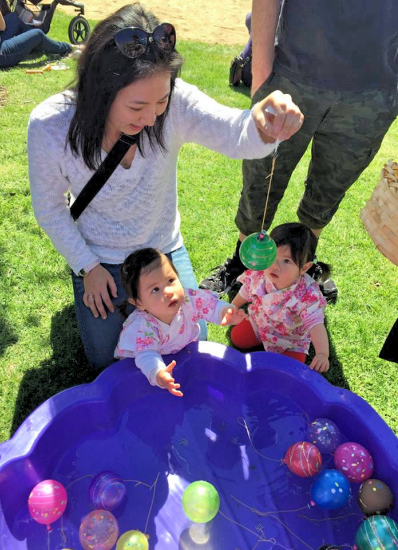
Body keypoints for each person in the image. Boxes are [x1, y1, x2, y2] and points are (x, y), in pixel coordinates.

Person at [27, 3, 304, 371]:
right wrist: (86, 266)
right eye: (137, 106)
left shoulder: (174, 103)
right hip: (100, 254)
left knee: (191, 344)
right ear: (100, 89)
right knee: (112, 363)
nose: (152, 117)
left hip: (162, 251)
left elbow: (236, 133)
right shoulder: (50, 125)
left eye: (161, 101)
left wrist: (265, 123)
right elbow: (49, 209)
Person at [200, 0, 398, 296]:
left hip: (374, 92)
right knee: (262, 174)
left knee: (330, 188)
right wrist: (262, 76)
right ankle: (244, 260)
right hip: (292, 76)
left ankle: (304, 261)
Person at [114, 248, 247, 396]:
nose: (168, 291)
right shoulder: (143, 328)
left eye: (170, 280)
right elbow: (146, 355)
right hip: (143, 365)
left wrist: (225, 312)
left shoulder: (188, 299)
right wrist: (158, 373)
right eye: (155, 289)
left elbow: (211, 305)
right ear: (139, 303)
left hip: (178, 350)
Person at [230, 223, 330, 373]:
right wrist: (232, 307)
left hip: (290, 340)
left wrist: (323, 353)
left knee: (288, 370)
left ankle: (288, 354)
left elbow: (316, 325)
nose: (275, 266)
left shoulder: (307, 295)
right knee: (237, 337)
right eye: (272, 257)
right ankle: (260, 338)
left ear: (304, 268)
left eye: (286, 261)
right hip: (260, 324)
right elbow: (246, 290)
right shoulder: (260, 273)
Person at [0, 0, 78, 69]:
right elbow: (1, 27)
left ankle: (34, 44)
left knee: (13, 18)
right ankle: (69, 48)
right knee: (38, 34)